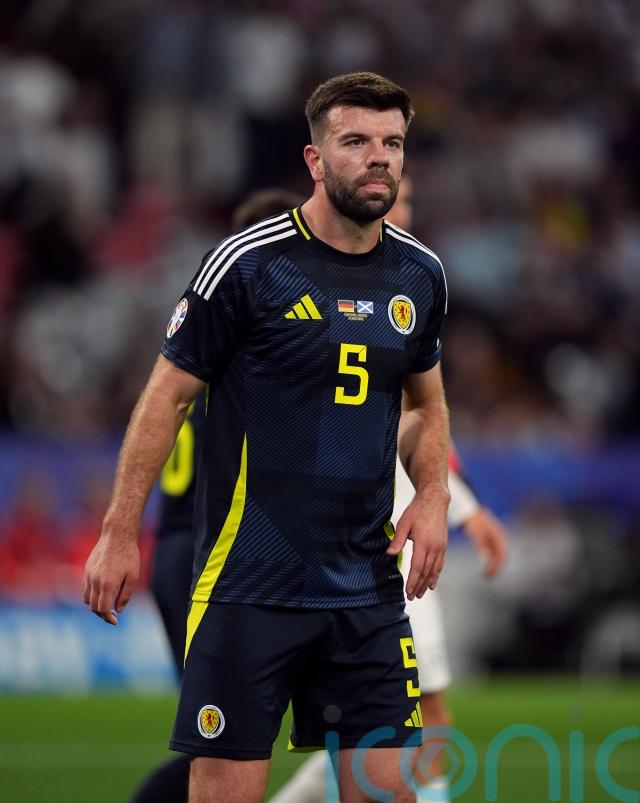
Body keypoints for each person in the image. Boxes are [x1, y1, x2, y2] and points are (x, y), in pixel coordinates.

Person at [83, 71, 450, 803]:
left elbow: (425, 404)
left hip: (367, 588)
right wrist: (120, 529)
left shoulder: (420, 274)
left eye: (392, 143)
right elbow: (167, 395)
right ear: (315, 159)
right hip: (249, 585)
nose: (378, 158)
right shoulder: (248, 264)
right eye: (356, 141)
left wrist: (434, 491)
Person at [268, 176, 508, 803]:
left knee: (388, 715)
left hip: (392, 527)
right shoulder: (350, 289)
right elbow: (397, 419)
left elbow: (420, 419)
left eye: (408, 201)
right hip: (374, 539)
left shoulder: (403, 284)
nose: (404, 212)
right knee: (411, 711)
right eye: (400, 201)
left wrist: (462, 506)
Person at [130, 188, 304, 803]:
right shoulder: (247, 346)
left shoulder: (206, 339)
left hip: (177, 545)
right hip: (206, 551)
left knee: (229, 733)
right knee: (227, 737)